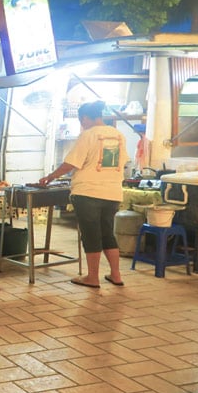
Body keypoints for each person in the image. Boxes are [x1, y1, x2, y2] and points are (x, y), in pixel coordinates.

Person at [39, 101, 128, 288]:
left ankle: (93, 277)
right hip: (113, 192)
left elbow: (71, 163)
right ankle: (116, 275)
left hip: (88, 193)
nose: (82, 124)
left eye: (82, 120)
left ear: (86, 118)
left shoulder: (88, 135)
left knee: (91, 235)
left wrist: (51, 176)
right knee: (107, 234)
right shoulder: (118, 135)